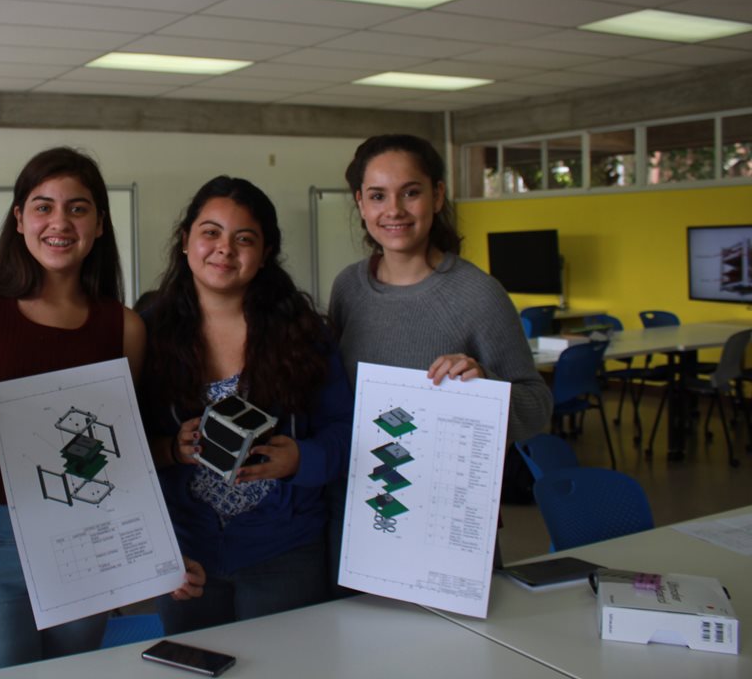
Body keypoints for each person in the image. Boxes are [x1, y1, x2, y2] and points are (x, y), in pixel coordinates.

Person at [0, 147, 202, 675]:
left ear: (100, 224)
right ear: (18, 219)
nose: (60, 222)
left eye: (78, 208)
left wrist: (154, 555)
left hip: (85, 531)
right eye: (43, 206)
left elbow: (122, 460)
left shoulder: (124, 327)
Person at [138, 176, 353, 634]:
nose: (224, 250)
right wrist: (170, 451)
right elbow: (125, 446)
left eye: (244, 239)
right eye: (210, 232)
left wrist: (301, 459)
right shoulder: (146, 333)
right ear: (185, 241)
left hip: (285, 550)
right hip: (185, 553)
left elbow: (345, 431)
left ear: (267, 252)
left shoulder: (304, 334)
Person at [328, 133, 552, 441]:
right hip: (356, 483)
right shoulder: (348, 288)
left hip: (440, 483)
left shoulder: (479, 293)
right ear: (361, 204)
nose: (394, 210)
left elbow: (538, 409)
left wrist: (484, 385)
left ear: (437, 196)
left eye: (410, 193)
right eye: (378, 196)